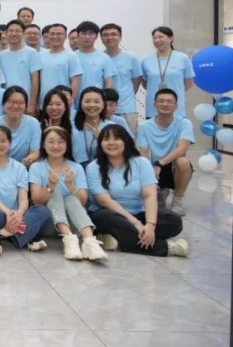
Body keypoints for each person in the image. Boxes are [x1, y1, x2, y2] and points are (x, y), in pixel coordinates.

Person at [87, 124, 188, 257]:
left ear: (126, 141)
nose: (111, 142)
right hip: (111, 215)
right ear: (100, 143)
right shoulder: (93, 167)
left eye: (116, 138)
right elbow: (105, 201)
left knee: (174, 221)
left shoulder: (141, 163)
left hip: (139, 213)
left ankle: (118, 238)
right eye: (106, 139)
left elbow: (149, 195)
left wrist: (150, 225)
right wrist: (136, 224)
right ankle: (166, 248)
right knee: (102, 217)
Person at [29, 126, 107, 261]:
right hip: (49, 224)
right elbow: (36, 200)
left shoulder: (76, 167)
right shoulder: (36, 167)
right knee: (55, 194)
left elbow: (83, 201)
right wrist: (50, 186)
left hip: (75, 224)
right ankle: (68, 239)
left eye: (61, 142)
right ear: (43, 144)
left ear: (67, 145)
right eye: (51, 142)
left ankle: (90, 241)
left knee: (71, 198)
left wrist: (71, 185)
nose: (56, 146)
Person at [0, 125, 50, 255]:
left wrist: (19, 213)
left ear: (10, 143)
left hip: (14, 216)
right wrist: (8, 213)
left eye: (3, 141)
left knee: (42, 210)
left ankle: (1, 234)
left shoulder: (19, 168)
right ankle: (23, 233)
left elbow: (23, 199)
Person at [136, 88, 194, 216]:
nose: (165, 104)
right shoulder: (144, 126)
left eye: (169, 101)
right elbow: (144, 153)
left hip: (173, 166)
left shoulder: (184, 123)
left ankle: (177, 200)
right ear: (154, 104)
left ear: (176, 106)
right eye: (161, 101)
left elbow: (182, 148)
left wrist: (160, 163)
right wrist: (149, 173)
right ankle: (159, 192)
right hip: (154, 168)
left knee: (183, 161)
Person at [141, 26, 195, 119]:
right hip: (153, 109)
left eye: (161, 37)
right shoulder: (146, 60)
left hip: (176, 110)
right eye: (154, 38)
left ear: (171, 38)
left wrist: (173, 92)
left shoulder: (183, 58)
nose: (157, 40)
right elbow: (145, 84)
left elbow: (189, 83)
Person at [101, 23, 143, 135]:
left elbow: (136, 81)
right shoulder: (99, 57)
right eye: (105, 35)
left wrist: (125, 96)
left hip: (127, 109)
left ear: (120, 37)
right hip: (103, 109)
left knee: (129, 140)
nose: (109, 37)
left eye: (113, 34)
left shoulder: (131, 57)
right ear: (101, 38)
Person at [0, 20, 42, 115]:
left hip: (25, 101)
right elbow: (0, 81)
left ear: (23, 34)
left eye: (17, 31)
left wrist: (32, 103)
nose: (14, 34)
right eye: (11, 31)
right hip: (7, 101)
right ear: (6, 33)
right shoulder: (2, 56)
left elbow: (35, 80)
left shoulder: (31, 52)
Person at [0, 87, 41, 167]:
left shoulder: (33, 123)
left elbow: (35, 152)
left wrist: (28, 160)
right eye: (11, 102)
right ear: (3, 104)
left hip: (24, 167)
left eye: (20, 102)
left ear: (26, 105)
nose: (15, 106)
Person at [38, 23, 82, 107]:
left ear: (65, 36)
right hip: (43, 103)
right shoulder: (40, 55)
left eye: (59, 34)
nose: (55, 36)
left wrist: (70, 100)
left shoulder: (71, 56)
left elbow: (75, 82)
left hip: (63, 104)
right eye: (52, 34)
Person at [74, 21, 117, 99]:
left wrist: (104, 100)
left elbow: (109, 82)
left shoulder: (104, 58)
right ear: (77, 35)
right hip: (74, 102)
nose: (87, 37)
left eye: (91, 33)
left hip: (96, 102)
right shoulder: (71, 57)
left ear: (96, 36)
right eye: (83, 33)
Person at [71, 87, 112, 166]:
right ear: (81, 104)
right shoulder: (72, 127)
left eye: (96, 101)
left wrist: (101, 139)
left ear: (103, 105)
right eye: (87, 101)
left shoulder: (111, 127)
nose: (92, 105)